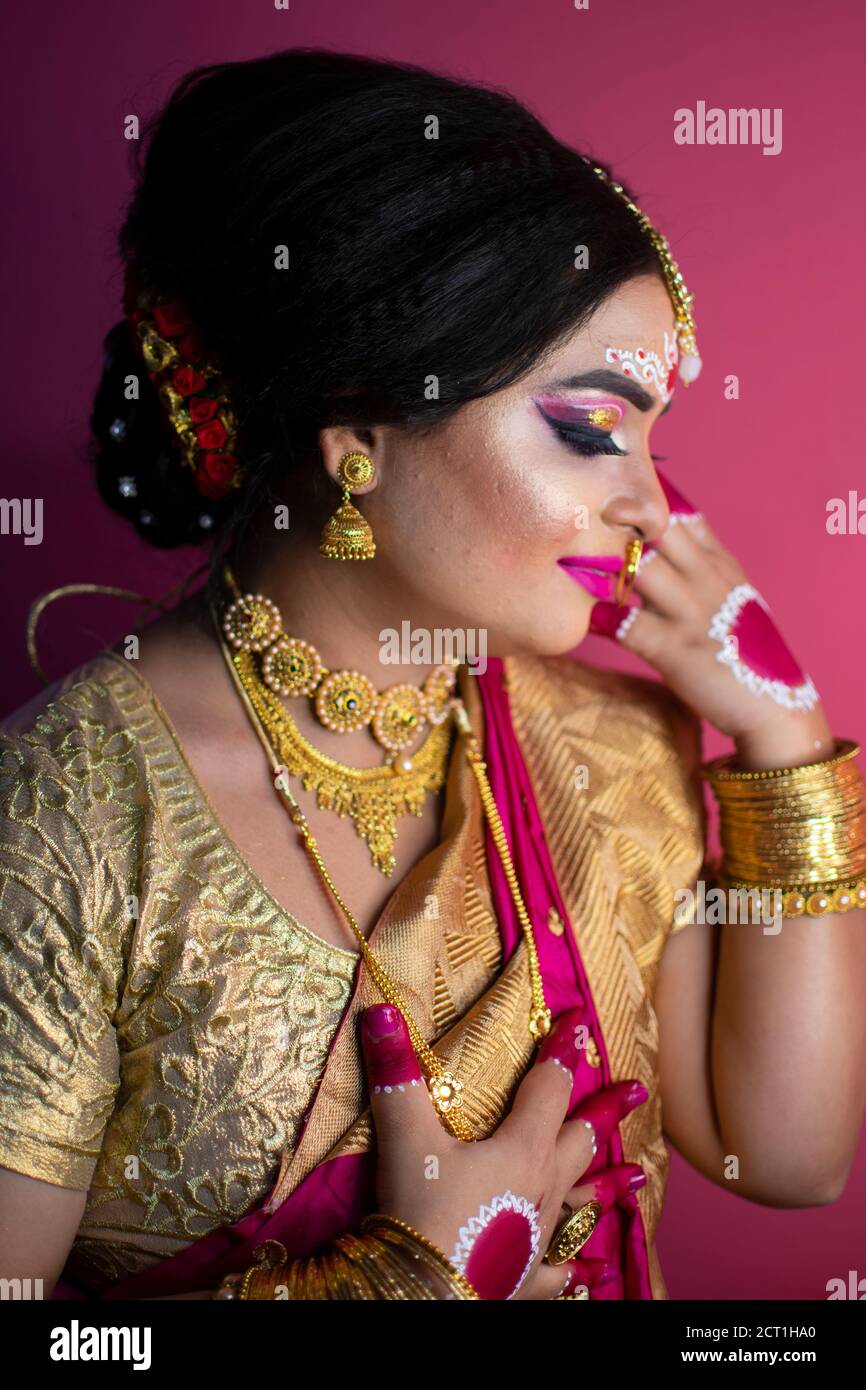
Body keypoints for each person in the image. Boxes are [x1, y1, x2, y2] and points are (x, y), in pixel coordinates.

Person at [1, 49, 864, 1303]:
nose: (650, 503)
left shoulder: (606, 752)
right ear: (357, 437)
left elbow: (788, 1154)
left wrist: (786, 740)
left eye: (651, 437)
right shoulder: (64, 818)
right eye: (589, 428)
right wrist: (398, 1284)